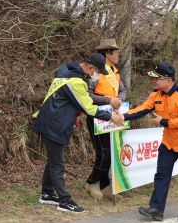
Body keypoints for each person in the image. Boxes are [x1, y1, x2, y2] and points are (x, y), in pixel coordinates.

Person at [33, 53, 125, 213]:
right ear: (90, 68)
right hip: (54, 124)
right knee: (58, 165)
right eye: (97, 72)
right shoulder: (75, 82)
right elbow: (89, 107)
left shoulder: (67, 73)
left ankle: (46, 194)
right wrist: (111, 117)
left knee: (53, 161)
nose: (96, 76)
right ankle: (65, 201)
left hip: (52, 121)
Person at [123, 61, 178, 223]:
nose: (154, 81)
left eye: (157, 78)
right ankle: (157, 209)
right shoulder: (156, 95)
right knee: (161, 174)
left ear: (168, 80)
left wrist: (163, 121)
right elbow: (142, 109)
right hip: (168, 143)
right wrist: (122, 116)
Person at [85, 39, 127, 200]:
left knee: (110, 152)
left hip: (113, 115)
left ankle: (105, 185)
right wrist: (109, 100)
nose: (118, 55)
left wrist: (119, 99)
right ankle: (92, 182)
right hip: (97, 115)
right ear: (108, 53)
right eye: (116, 52)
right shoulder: (96, 70)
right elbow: (88, 95)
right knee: (104, 153)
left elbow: (123, 89)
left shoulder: (115, 70)